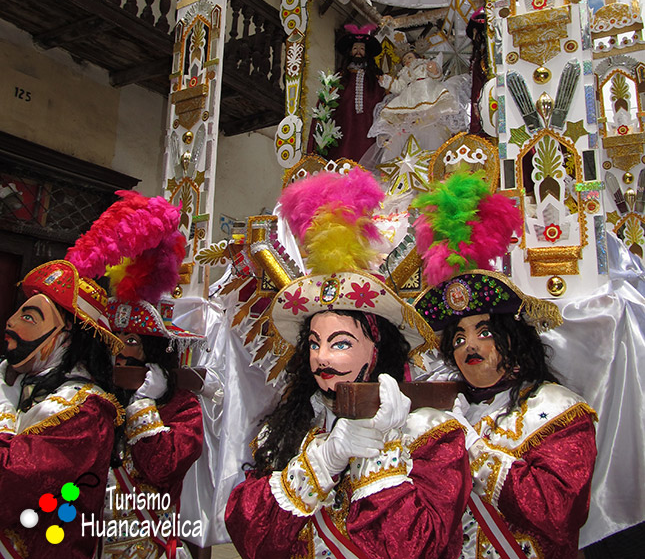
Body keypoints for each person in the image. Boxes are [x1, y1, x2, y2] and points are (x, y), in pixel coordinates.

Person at [225, 167, 471, 559]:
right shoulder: (289, 426)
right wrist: (323, 461)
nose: (321, 357)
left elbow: (416, 546)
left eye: (340, 343)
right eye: (314, 343)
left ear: (377, 349)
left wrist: (383, 449)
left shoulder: (430, 432)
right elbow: (250, 534)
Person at [413, 171, 597, 559]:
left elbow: (555, 511)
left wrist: (469, 445)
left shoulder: (560, 411)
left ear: (513, 336)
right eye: (458, 338)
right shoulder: (446, 410)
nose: (469, 346)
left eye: (484, 331)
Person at [65, 190, 206, 559]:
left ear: (151, 350)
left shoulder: (182, 406)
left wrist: (143, 404)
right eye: (115, 339)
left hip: (149, 545)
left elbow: (162, 468)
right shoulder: (97, 396)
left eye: (130, 340)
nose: (120, 349)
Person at [0, 259, 124, 558]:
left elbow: (11, 485)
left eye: (28, 317)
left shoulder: (85, 411)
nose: (11, 323)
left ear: (65, 336)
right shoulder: (25, 386)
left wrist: (2, 407)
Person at [309, 23, 384, 162]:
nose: (358, 51)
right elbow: (325, 107)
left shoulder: (376, 80)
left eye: (362, 48)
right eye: (355, 48)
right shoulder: (339, 79)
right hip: (342, 133)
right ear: (350, 52)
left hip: (369, 134)